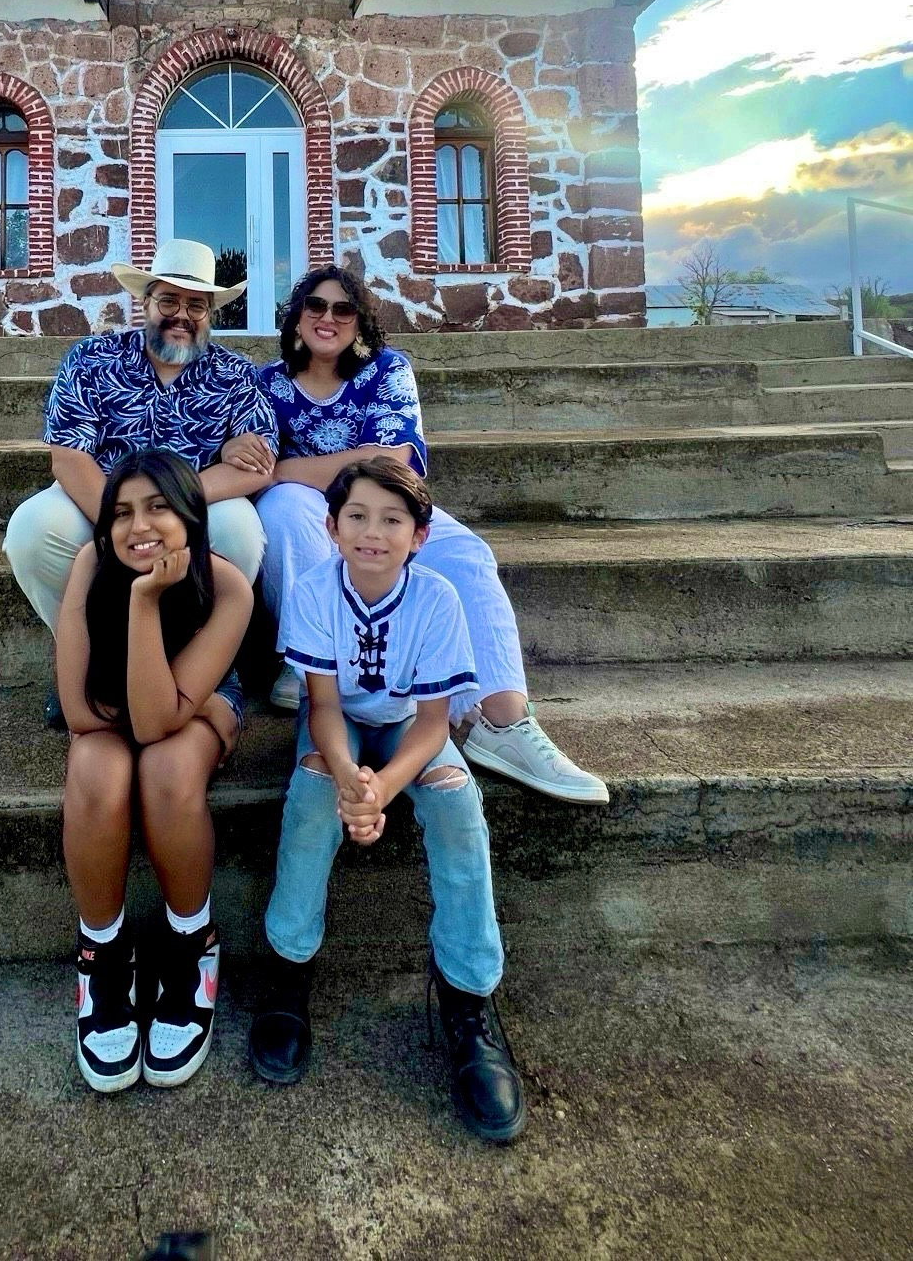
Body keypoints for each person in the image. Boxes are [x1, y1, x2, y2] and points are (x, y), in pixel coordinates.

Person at [223, 264, 607, 805]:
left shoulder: (386, 369)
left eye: (342, 309)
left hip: (388, 503)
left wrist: (292, 467)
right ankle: (308, 662)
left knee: (467, 554)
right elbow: (259, 468)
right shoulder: (264, 383)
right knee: (286, 508)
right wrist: (327, 465)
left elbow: (398, 461)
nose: (327, 318)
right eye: (314, 305)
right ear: (296, 316)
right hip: (315, 513)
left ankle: (502, 721)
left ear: (359, 321)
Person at [247, 455, 525, 1144]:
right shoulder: (314, 590)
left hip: (405, 727)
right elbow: (322, 704)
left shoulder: (435, 598)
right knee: (312, 794)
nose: (374, 533)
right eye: (358, 518)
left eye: (392, 519)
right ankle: (288, 968)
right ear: (332, 526)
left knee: (458, 800)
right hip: (336, 726)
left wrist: (381, 794)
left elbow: (432, 723)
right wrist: (347, 780)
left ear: (419, 534)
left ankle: (467, 993)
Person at [3, 238, 278, 722]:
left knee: (238, 529)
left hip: (194, 508)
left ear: (210, 312)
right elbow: (69, 459)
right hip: (102, 498)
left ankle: (199, 663)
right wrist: (121, 525)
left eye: (196, 304)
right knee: (32, 530)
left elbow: (257, 465)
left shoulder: (236, 375)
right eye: (168, 300)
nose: (181, 315)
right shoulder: (91, 359)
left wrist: (171, 506)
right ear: (144, 302)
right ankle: (87, 664)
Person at [59, 448, 253, 1092]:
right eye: (120, 513)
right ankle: (102, 954)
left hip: (194, 701)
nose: (137, 527)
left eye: (158, 508)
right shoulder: (92, 564)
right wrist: (135, 601)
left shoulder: (227, 586)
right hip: (108, 702)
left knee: (166, 769)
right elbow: (81, 710)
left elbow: (159, 724)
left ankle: (190, 943)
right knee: (95, 768)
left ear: (192, 518)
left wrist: (147, 604)